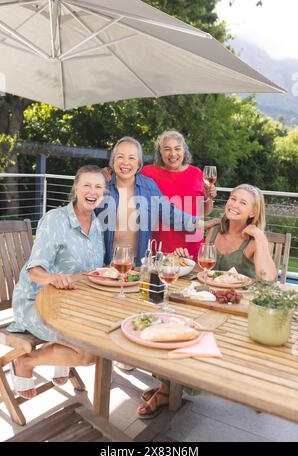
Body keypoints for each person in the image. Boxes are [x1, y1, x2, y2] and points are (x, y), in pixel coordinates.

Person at [137, 184, 277, 418]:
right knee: (168, 318)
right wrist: (184, 258)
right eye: (233, 199)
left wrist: (260, 236)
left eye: (243, 203)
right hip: (207, 302)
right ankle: (169, 384)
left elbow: (267, 279)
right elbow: (204, 270)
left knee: (186, 327)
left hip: (236, 312)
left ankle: (167, 388)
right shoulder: (214, 232)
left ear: (253, 212)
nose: (234, 204)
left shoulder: (253, 241)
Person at [8, 165, 106, 399]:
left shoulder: (97, 225)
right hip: (38, 304)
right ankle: (25, 361)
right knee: (89, 353)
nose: (92, 191)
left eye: (98, 187)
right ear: (76, 188)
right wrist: (52, 278)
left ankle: (61, 357)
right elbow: (34, 270)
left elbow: (92, 272)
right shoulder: (55, 220)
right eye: (87, 185)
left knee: (105, 338)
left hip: (73, 307)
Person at [96, 136, 202, 267]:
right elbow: (82, 212)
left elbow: (169, 213)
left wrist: (202, 223)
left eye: (131, 158)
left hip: (138, 266)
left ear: (139, 163)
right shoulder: (101, 185)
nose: (125, 162)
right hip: (105, 266)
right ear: (113, 161)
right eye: (120, 157)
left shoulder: (149, 187)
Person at [140, 130, 217, 260]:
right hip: (159, 245)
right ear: (160, 152)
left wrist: (209, 197)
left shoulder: (196, 173)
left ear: (184, 151)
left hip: (191, 244)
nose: (173, 154)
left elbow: (205, 211)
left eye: (177, 148)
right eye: (167, 149)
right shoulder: (147, 173)